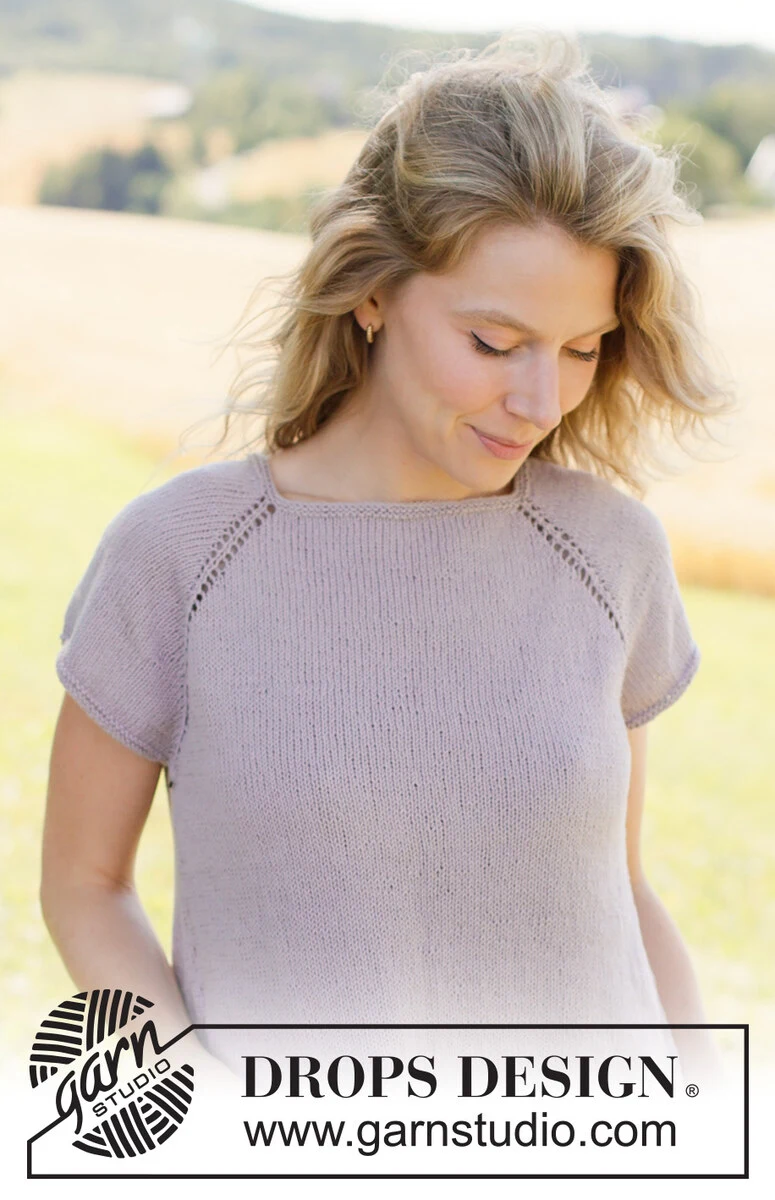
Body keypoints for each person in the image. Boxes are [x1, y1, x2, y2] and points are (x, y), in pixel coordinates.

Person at [42, 30, 734, 1085]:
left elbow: (619, 892)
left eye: (581, 349)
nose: (540, 401)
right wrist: (211, 1114)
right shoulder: (179, 557)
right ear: (372, 289)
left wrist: (705, 1110)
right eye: (493, 343)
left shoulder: (609, 553)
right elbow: (85, 886)